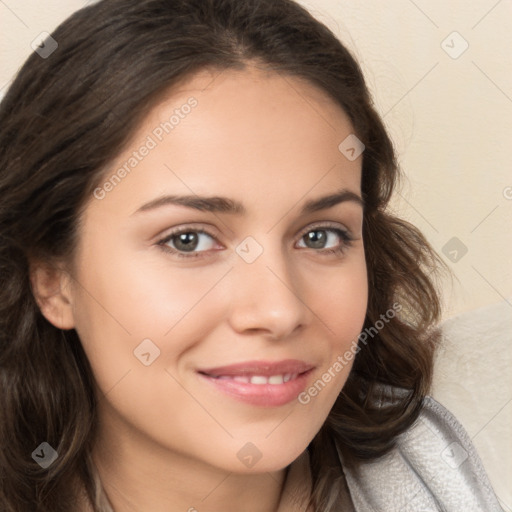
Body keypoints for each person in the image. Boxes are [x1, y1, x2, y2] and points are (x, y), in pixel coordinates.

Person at [0, 0, 503, 511]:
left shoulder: (483, 448)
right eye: (188, 240)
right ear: (51, 278)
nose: (279, 312)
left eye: (320, 236)